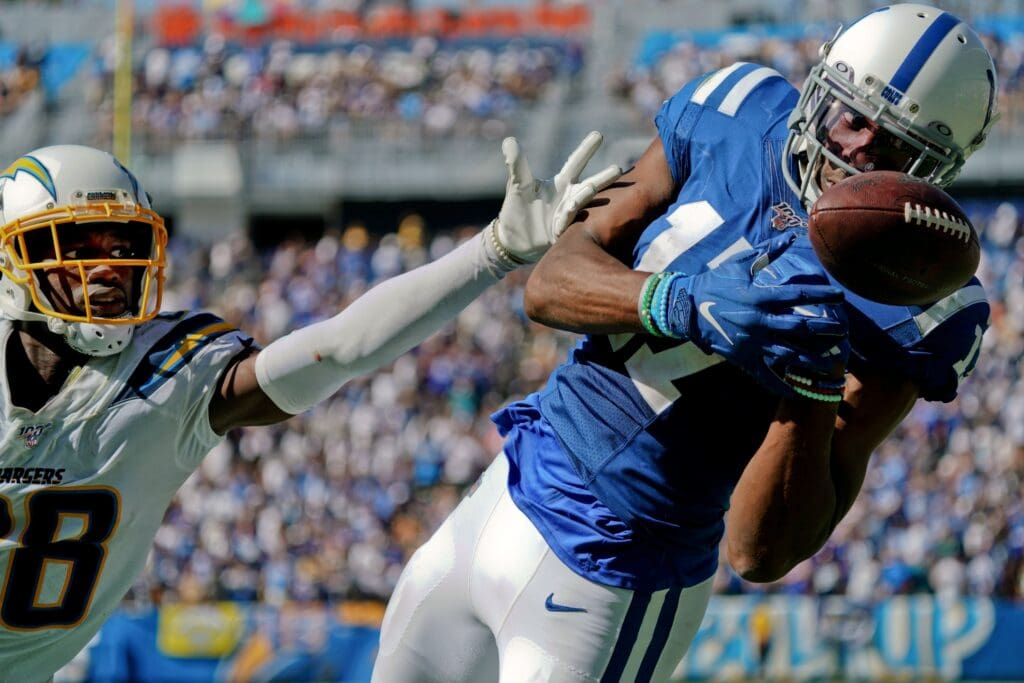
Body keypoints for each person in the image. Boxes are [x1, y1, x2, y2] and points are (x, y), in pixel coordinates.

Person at [373, 4, 997, 681]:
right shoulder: (738, 108)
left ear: (933, 170)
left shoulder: (919, 302)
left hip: (620, 575)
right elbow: (549, 286)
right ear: (823, 88)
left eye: (892, 146)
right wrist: (680, 301)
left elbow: (760, 554)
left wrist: (812, 383)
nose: (856, 150)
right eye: (852, 117)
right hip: (507, 489)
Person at [0, 134, 620, 682]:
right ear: (12, 263)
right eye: (75, 244)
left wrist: (494, 250)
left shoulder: (173, 374)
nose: (106, 267)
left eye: (122, 243)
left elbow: (339, 348)